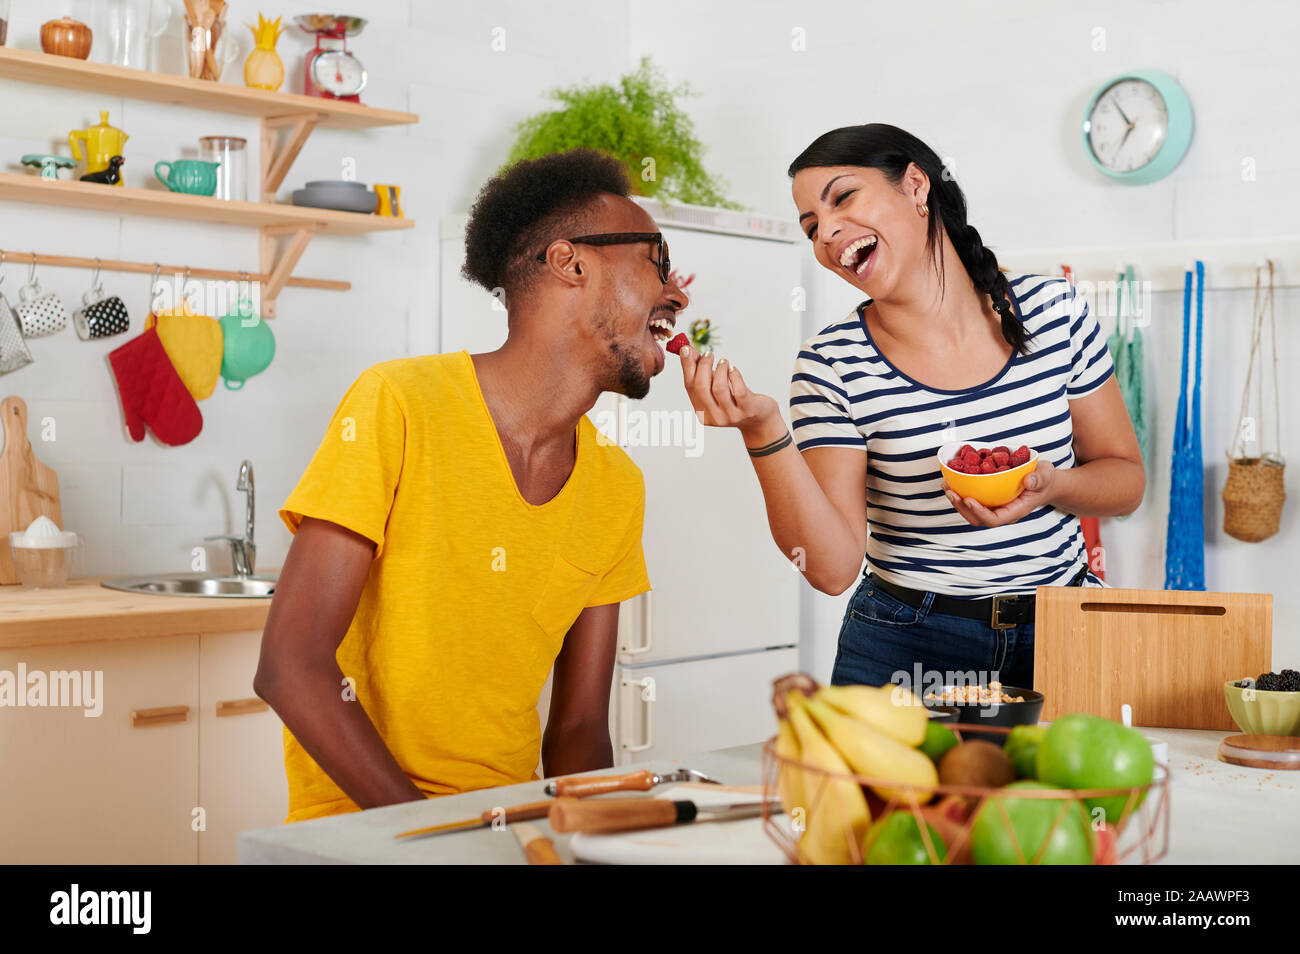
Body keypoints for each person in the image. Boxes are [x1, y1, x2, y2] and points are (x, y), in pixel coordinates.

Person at [255, 150, 687, 822]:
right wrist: (440, 841)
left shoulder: (616, 486)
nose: (679, 291)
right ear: (572, 263)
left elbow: (575, 731)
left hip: (506, 834)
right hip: (361, 840)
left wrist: (595, 841)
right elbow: (291, 667)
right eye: (657, 261)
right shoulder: (397, 404)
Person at [676, 124, 1144, 693]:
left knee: (1061, 788)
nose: (826, 234)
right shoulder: (831, 363)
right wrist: (763, 430)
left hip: (1065, 630)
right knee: (887, 789)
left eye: (842, 198)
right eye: (811, 228)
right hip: (907, 644)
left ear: (917, 186)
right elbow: (830, 568)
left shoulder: (1055, 311)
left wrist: (1050, 487)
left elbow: (1125, 482)